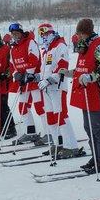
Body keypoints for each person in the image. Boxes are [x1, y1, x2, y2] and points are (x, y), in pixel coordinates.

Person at [69, 18, 100, 173]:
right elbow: (83, 68)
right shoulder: (86, 46)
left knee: (99, 128)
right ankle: (97, 156)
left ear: (85, 32)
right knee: (89, 127)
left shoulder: (99, 45)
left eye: (79, 34)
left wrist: (91, 77)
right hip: (86, 93)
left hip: (98, 93)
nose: (78, 37)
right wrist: (70, 73)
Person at [35, 23, 84, 159]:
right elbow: (45, 69)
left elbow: (62, 68)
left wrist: (50, 79)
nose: (43, 37)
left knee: (61, 115)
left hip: (57, 86)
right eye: (41, 34)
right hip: (46, 88)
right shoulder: (46, 49)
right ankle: (58, 144)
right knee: (50, 117)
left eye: (45, 34)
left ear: (51, 33)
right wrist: (38, 77)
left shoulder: (59, 45)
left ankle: (71, 146)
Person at [8, 23, 46, 144]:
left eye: (17, 33)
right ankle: (30, 132)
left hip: (33, 80)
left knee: (40, 107)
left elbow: (34, 59)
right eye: (13, 34)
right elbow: (12, 65)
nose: (15, 36)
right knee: (23, 108)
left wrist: (28, 74)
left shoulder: (30, 42)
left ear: (21, 32)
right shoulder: (13, 48)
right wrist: (15, 74)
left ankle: (49, 133)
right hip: (23, 82)